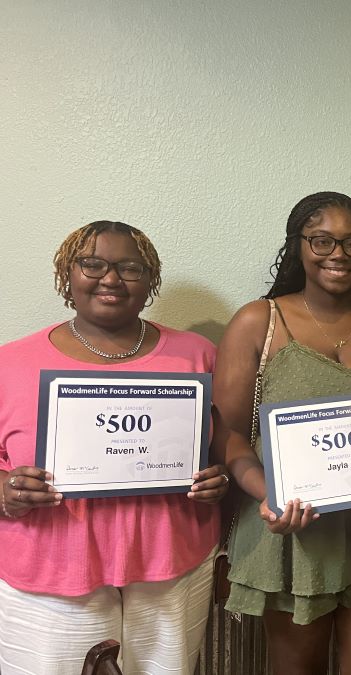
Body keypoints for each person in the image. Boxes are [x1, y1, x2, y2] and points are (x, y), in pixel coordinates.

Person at [214, 191, 351, 674]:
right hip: (293, 535)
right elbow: (226, 435)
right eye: (322, 240)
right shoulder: (258, 321)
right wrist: (267, 493)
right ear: (298, 246)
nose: (338, 254)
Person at [0, 221, 228, 674]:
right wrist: (5, 490)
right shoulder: (9, 363)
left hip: (173, 564)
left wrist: (217, 479)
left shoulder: (196, 355)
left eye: (130, 267)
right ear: (67, 274)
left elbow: (227, 448)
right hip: (50, 572)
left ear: (150, 279)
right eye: (92, 264)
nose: (110, 278)